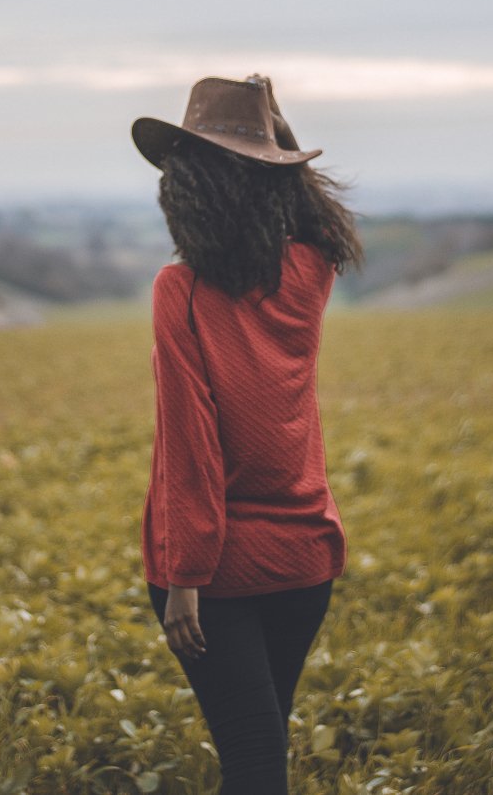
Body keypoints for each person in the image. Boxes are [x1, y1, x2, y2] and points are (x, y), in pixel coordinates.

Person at [131, 73, 365, 795]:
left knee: (255, 766)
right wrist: (273, 133)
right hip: (305, 562)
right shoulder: (312, 270)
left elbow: (189, 446)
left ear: (189, 189)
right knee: (264, 749)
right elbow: (313, 213)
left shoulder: (183, 291)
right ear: (268, 179)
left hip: (218, 576)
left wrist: (185, 579)